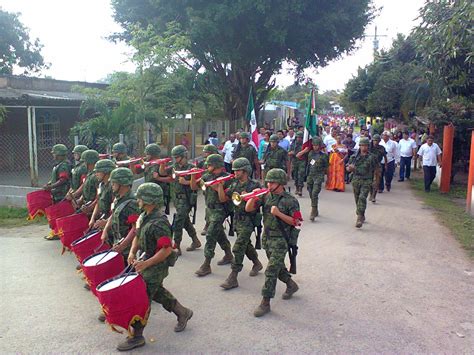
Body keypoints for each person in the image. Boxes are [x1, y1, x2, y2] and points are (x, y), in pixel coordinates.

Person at [118, 183, 193, 351]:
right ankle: (182, 312)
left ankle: (137, 336)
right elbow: (137, 235)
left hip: (157, 264)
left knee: (142, 298)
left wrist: (146, 263)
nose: (137, 200)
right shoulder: (144, 215)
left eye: (140, 197)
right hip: (146, 260)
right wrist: (131, 253)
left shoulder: (159, 223)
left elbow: (166, 250)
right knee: (156, 291)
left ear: (149, 200)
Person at [245, 168, 302, 317]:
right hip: (267, 237)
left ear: (281, 183)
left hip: (281, 240)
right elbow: (248, 208)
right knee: (277, 267)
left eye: (272, 182)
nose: (269, 184)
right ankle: (291, 284)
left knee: (270, 270)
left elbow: (297, 222)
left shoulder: (291, 200)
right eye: (268, 181)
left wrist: (279, 214)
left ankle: (265, 303)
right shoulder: (265, 196)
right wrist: (253, 196)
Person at [219, 158, 264, 290]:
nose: (235, 173)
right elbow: (223, 199)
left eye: (237, 170)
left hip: (249, 220)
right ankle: (256, 263)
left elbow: (254, 206)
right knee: (245, 244)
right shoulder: (234, 185)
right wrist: (220, 186)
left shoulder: (255, 186)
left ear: (245, 171)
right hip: (237, 220)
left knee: (238, 247)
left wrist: (250, 197)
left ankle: (233, 277)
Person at [192, 154, 233, 277]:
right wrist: (194, 176)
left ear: (216, 165)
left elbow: (224, 199)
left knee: (210, 235)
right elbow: (194, 187)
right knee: (218, 233)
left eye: (209, 165)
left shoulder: (227, 179)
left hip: (220, 210)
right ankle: (228, 254)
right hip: (209, 210)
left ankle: (206, 264)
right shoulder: (207, 176)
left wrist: (218, 188)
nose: (207, 166)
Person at [159, 145, 201, 255]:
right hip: (177, 199)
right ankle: (195, 240)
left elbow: (198, 184)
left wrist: (186, 182)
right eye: (175, 157)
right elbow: (163, 173)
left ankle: (176, 245)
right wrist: (162, 164)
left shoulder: (192, 168)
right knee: (185, 221)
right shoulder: (175, 166)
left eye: (177, 157)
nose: (176, 159)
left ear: (184, 156)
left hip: (186, 199)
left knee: (178, 221)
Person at [100, 168, 139, 261]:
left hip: (127, 247)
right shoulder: (118, 198)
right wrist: (105, 230)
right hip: (117, 241)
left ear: (122, 184)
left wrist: (123, 245)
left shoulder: (132, 203)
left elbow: (135, 228)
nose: (111, 185)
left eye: (114, 183)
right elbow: (113, 214)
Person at [43, 144, 72, 240]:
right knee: (58, 214)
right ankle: (58, 232)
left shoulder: (63, 165)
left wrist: (52, 186)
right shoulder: (60, 164)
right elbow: (57, 178)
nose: (53, 155)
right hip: (58, 193)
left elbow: (63, 179)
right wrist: (50, 183)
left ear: (59, 154)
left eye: (54, 153)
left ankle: (58, 233)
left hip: (61, 193)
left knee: (59, 214)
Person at [346, 137, 376, 228]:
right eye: (362, 145)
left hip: (366, 180)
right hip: (356, 180)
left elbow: (376, 169)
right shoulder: (354, 156)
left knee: (362, 197)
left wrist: (375, 180)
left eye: (365, 145)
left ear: (368, 146)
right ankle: (361, 213)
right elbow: (348, 167)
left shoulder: (371, 157)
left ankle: (359, 218)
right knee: (357, 199)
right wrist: (348, 168)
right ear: (359, 146)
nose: (364, 147)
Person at [139, 143, 171, 215]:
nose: (146, 156)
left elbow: (165, 174)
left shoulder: (161, 163)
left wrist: (158, 177)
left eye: (147, 154)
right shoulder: (148, 163)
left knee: (158, 215)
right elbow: (136, 170)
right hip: (148, 194)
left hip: (158, 195)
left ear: (152, 154)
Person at [196, 144, 219, 236]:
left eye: (207, 152)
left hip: (215, 185)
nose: (205, 154)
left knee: (215, 205)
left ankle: (211, 224)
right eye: (204, 152)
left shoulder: (217, 161)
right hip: (206, 185)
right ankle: (208, 223)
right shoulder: (203, 163)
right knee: (208, 205)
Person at [304, 137, 329, 221]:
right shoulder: (311, 153)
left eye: (317, 145)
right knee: (310, 192)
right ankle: (315, 207)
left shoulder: (324, 156)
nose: (315, 147)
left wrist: (327, 178)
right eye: (314, 145)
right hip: (310, 175)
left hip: (319, 175)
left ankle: (313, 210)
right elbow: (309, 163)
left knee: (315, 193)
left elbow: (326, 167)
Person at [89, 159, 116, 230]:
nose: (96, 174)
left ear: (106, 172)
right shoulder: (101, 185)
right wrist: (93, 218)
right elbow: (98, 202)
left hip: (111, 223)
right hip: (102, 219)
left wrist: (106, 222)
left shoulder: (113, 187)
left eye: (98, 172)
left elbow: (115, 209)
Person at [74, 149, 100, 215]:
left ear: (89, 162)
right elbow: (85, 189)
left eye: (84, 162)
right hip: (87, 205)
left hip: (94, 208)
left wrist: (91, 207)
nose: (83, 164)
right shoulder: (89, 174)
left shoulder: (96, 176)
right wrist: (81, 199)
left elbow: (99, 196)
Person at [369, 135, 387, 203]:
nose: (375, 142)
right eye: (374, 140)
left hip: (378, 165)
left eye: (377, 140)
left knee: (377, 181)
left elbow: (385, 156)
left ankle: (374, 196)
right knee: (370, 181)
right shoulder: (369, 147)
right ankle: (371, 194)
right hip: (370, 166)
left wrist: (385, 165)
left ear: (379, 141)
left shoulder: (382, 148)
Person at [288, 131, 306, 196]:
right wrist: (291, 153)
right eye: (298, 137)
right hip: (295, 160)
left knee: (301, 174)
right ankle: (297, 188)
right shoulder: (293, 144)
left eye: (300, 137)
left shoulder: (304, 144)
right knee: (295, 174)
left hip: (302, 161)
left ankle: (300, 188)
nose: (299, 139)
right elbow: (289, 152)